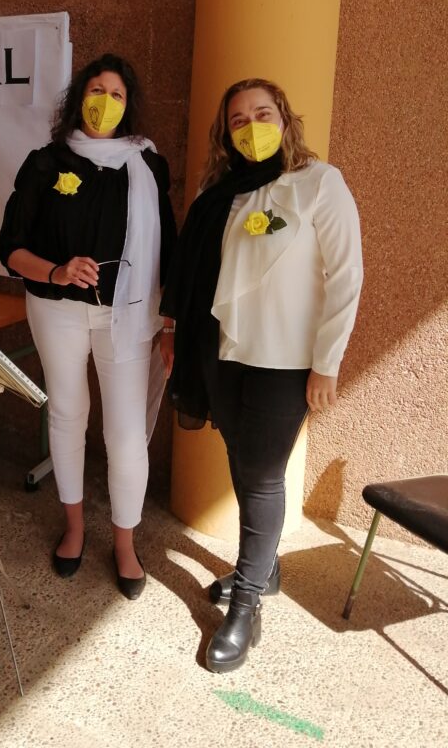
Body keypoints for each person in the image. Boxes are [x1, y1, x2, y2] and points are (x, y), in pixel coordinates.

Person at [160, 78, 363, 671]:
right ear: (226, 134)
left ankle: (246, 606)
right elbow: (191, 273)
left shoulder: (319, 183)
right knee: (240, 458)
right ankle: (264, 568)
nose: (252, 127)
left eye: (263, 114)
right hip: (222, 352)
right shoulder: (221, 194)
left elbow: (346, 276)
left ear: (285, 119)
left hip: (285, 359)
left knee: (264, 474)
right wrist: (174, 330)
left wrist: (327, 363)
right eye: (239, 120)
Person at [0, 54, 176, 599]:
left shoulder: (147, 166)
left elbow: (168, 250)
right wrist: (56, 270)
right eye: (96, 90)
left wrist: (170, 326)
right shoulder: (46, 163)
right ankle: (74, 527)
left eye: (117, 94)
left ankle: (125, 542)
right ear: (79, 99)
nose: (105, 102)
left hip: (127, 314)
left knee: (125, 434)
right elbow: (10, 249)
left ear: (129, 106)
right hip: (56, 310)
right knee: (68, 413)